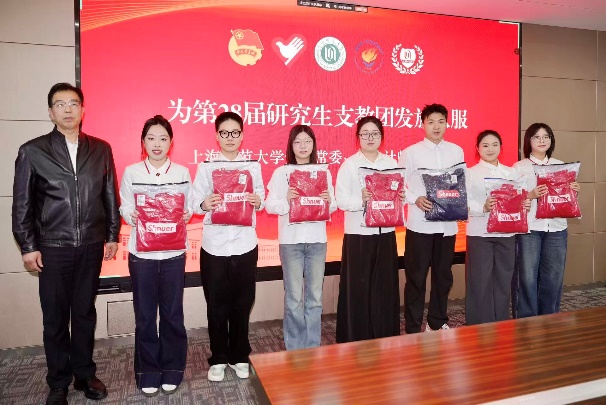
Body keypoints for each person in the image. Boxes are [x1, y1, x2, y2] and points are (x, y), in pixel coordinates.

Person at [12, 82, 120, 405]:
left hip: (90, 245)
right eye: (60, 104)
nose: (68, 109)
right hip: (52, 247)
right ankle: (58, 382)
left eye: (73, 103)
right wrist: (28, 245)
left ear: (83, 109)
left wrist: (112, 234)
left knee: (85, 313)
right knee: (56, 318)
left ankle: (84, 374)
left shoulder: (101, 149)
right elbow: (22, 205)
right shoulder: (32, 151)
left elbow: (110, 194)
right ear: (51, 112)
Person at [119, 115, 192, 396]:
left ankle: (173, 369)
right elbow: (125, 205)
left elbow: (189, 206)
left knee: (173, 314)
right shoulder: (132, 172)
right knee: (146, 315)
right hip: (142, 255)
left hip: (174, 253)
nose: (157, 144)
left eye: (163, 138)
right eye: (151, 138)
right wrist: (131, 214)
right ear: (143, 142)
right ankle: (148, 371)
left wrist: (186, 213)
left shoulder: (182, 172)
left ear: (171, 142)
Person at [192, 112, 264, 381]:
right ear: (217, 136)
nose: (230, 138)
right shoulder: (207, 166)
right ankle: (219, 357)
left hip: (245, 244)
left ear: (242, 136)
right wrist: (204, 204)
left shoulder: (252, 166)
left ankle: (240, 355)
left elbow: (261, 196)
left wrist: (258, 200)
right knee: (217, 304)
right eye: (224, 133)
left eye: (235, 133)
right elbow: (194, 202)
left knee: (243, 302)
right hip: (215, 246)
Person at [265, 125, 337, 350]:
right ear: (291, 146)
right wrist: (287, 200)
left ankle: (312, 345)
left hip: (317, 241)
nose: (303, 146)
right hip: (291, 242)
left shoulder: (323, 172)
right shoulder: (282, 173)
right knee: (294, 298)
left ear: (314, 144)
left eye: (307, 141)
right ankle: (295, 347)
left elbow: (333, 205)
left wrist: (328, 201)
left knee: (315, 297)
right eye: (298, 142)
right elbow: (269, 205)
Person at [398, 103, 464, 333]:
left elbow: (460, 184)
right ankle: (413, 326)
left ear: (447, 123)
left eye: (441, 122)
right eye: (431, 122)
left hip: (447, 226)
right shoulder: (410, 153)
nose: (436, 126)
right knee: (416, 278)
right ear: (423, 125)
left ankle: (437, 321)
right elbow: (398, 184)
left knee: (443, 277)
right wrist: (415, 198)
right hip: (420, 225)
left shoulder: (456, 151)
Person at [335, 116, 401, 343]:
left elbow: (397, 196)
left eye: (375, 133)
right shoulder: (349, 165)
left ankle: (384, 335)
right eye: (365, 134)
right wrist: (360, 200)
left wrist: (399, 196)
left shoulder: (391, 163)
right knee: (358, 289)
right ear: (358, 137)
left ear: (381, 137)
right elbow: (341, 200)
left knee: (384, 288)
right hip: (359, 235)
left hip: (385, 233)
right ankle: (356, 336)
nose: (370, 138)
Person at [512, 123, 580, 318]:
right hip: (530, 229)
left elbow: (565, 199)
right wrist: (531, 194)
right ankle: (526, 322)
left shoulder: (561, 165)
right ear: (529, 141)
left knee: (553, 278)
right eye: (536, 137)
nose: (542, 140)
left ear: (551, 140)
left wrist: (574, 191)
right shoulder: (519, 167)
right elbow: (511, 198)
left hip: (557, 229)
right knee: (527, 278)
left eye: (546, 136)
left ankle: (550, 320)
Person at [465, 130, 530, 325]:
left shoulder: (511, 173)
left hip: (506, 233)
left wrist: (525, 204)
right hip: (480, 233)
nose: (490, 149)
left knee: (503, 280)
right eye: (485, 145)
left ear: (501, 147)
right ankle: (479, 325)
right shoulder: (470, 173)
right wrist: (482, 207)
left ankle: (501, 324)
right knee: (480, 281)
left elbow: (520, 197)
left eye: (495, 145)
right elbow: (464, 203)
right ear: (477, 149)